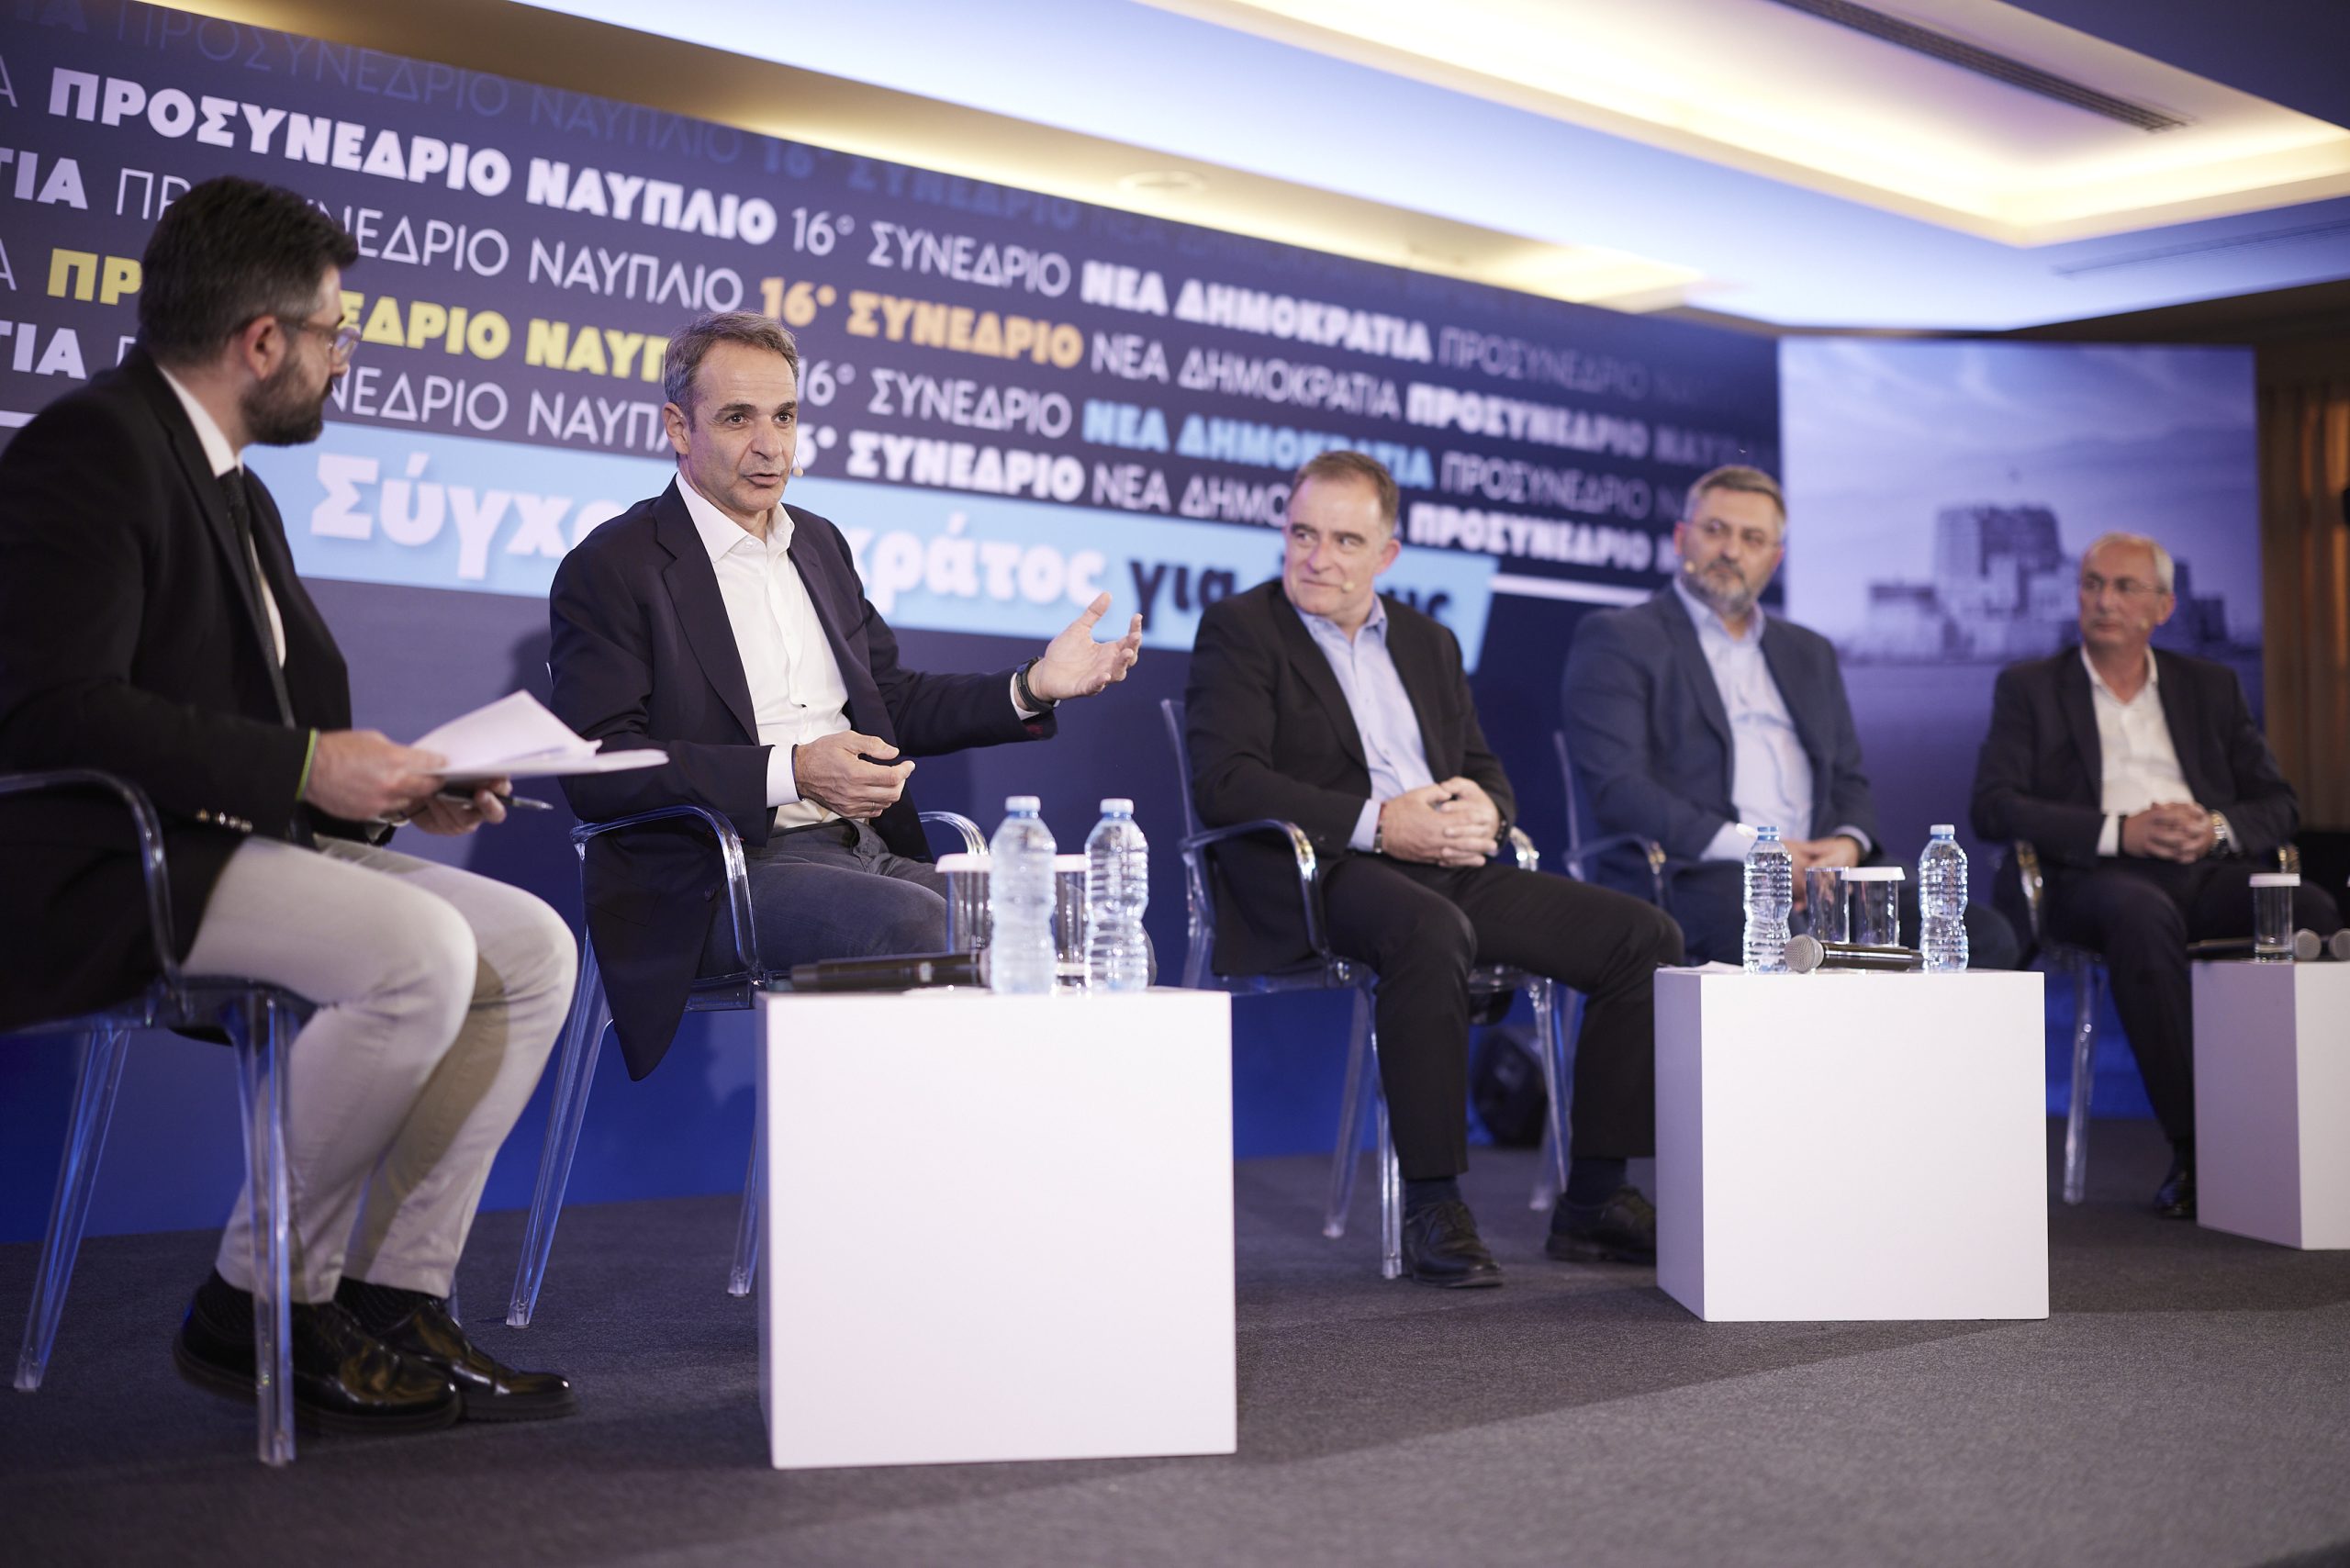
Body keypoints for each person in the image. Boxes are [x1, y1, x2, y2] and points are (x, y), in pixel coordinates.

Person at [0, 177, 578, 1431]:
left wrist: (395, 795)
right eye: (334, 332)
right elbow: (51, 710)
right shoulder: (91, 449)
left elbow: (279, 730)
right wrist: (312, 771)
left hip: (239, 842)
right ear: (262, 341)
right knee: (419, 951)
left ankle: (392, 1293)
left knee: (533, 949)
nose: (342, 358)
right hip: (112, 863)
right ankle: (255, 1299)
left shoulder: (239, 489)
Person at [549, 311, 1143, 1080]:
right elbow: (601, 766)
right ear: (678, 427)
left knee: (1060, 923)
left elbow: (891, 700)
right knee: (930, 927)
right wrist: (793, 771)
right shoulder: (613, 567)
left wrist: (1032, 687)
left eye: (785, 417)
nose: (771, 446)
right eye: (738, 418)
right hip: (718, 876)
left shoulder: (819, 544)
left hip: (864, 850)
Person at [1184, 451, 1683, 1287]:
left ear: (1387, 554)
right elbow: (1226, 782)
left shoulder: (1428, 641)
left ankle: (1597, 1199)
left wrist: (1491, 812)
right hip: (1321, 871)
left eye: (1346, 541)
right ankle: (1433, 1204)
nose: (1318, 558)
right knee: (1430, 929)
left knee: (1641, 936)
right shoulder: (1242, 629)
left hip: (1444, 866)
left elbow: (1480, 767)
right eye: (1303, 534)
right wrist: (1382, 823)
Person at [1971, 531, 2340, 1218]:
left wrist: (2215, 828)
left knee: (2314, 909)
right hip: (2092, 880)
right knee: (2141, 917)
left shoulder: (2210, 686)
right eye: (2092, 584)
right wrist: (2121, 831)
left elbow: (2279, 804)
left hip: (2205, 868)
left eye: (2124, 587)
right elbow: (1994, 806)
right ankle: (2198, 1149)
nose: (2104, 600)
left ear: (2164, 606)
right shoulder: (2030, 687)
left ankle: (2317, 1137)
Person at [1561, 465, 2020, 969]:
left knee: (1985, 937)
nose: (1731, 550)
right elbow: (1620, 788)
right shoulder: (1621, 638)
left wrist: (1846, 844)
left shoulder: (1809, 651)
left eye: (1752, 539)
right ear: (1680, 538)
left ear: (1775, 558)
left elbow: (1848, 779)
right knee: (1787, 943)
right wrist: (1763, 856)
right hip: (1698, 872)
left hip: (1826, 874)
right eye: (1715, 530)